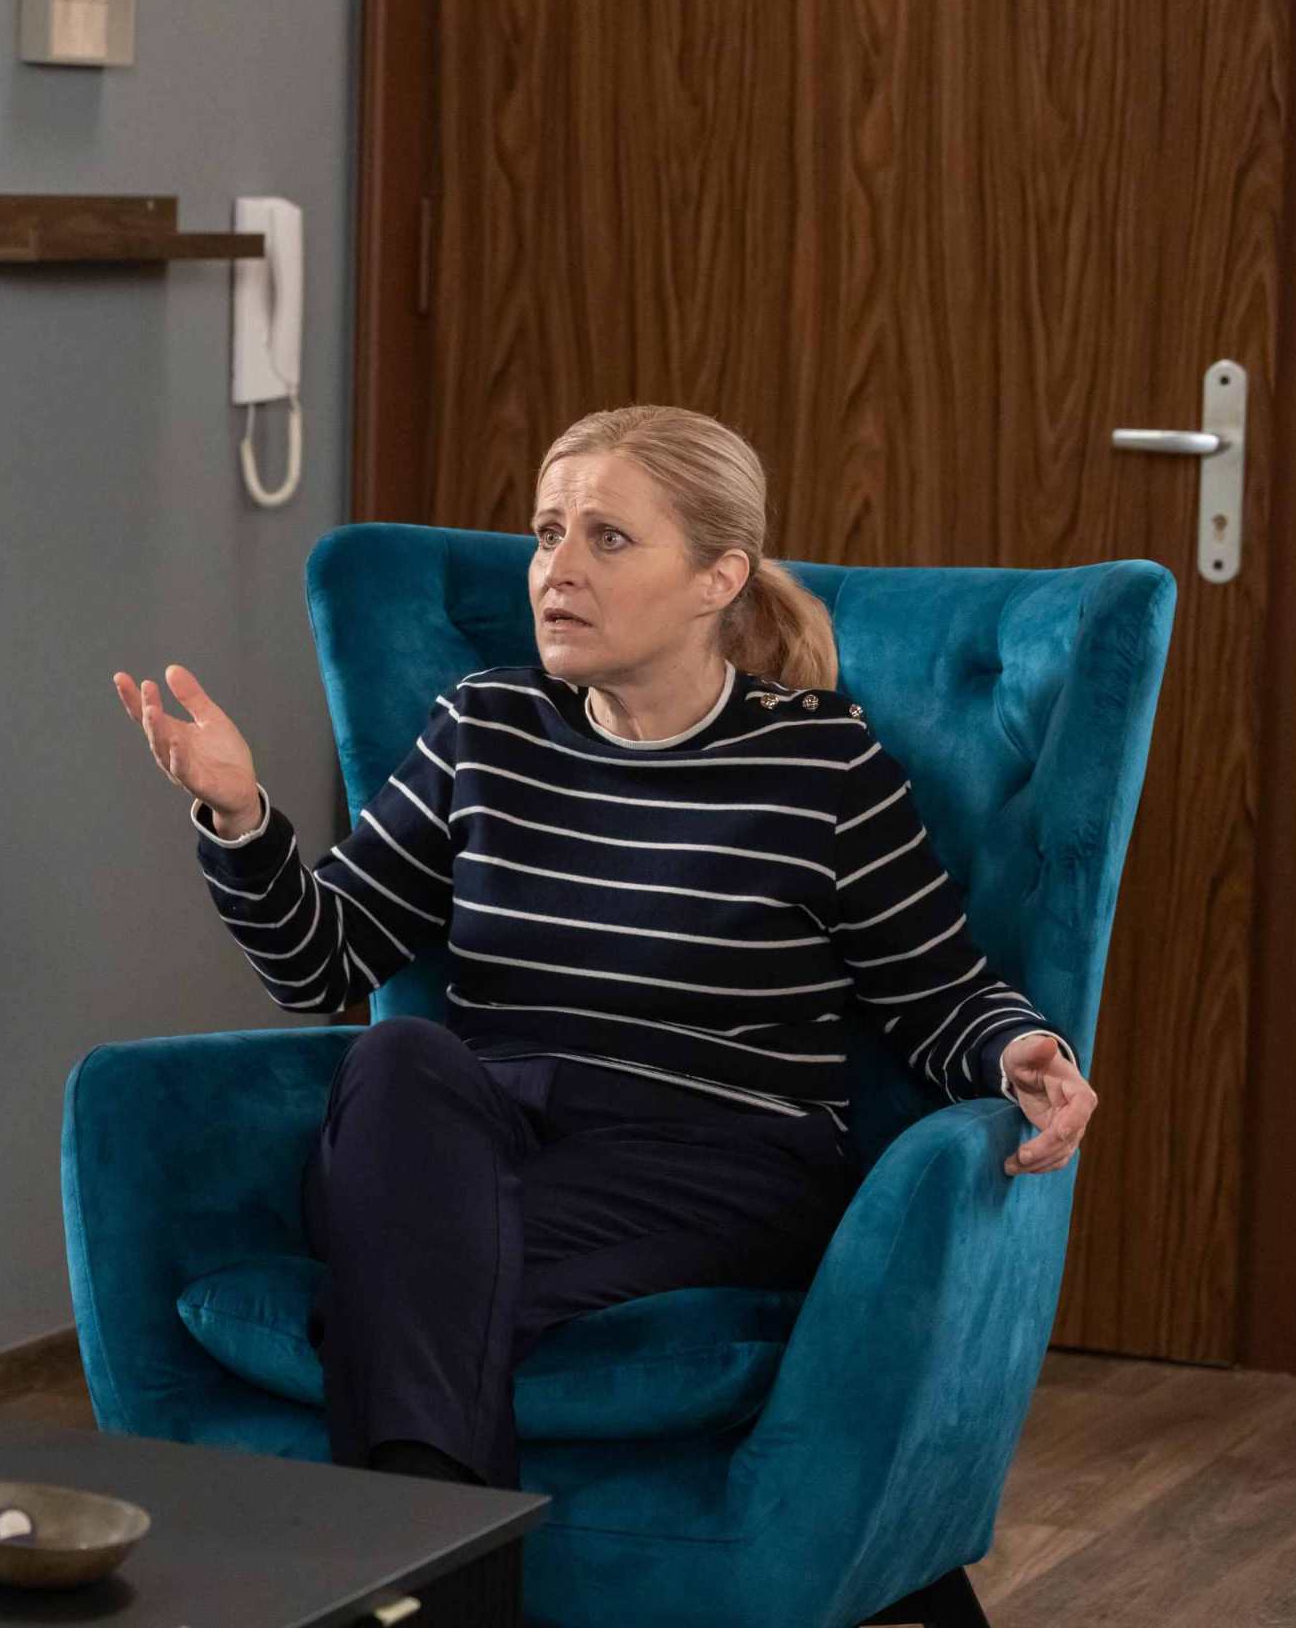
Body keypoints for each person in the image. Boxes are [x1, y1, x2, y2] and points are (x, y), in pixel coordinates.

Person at [112, 405, 1100, 1491]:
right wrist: (241, 819)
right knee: (395, 1059)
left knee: (398, 1268)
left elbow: (935, 989)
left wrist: (1017, 1049)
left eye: (607, 538)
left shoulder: (821, 765)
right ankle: (445, 1561)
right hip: (485, 1136)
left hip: (715, 1160)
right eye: (547, 534)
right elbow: (318, 964)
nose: (556, 571)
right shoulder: (484, 727)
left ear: (717, 578)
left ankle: (408, 1548)